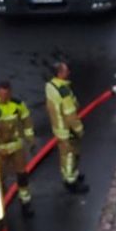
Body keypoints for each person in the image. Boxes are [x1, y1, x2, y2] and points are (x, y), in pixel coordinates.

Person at [0, 81, 36, 218]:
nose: (4, 97)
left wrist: (30, 140)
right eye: (2, 94)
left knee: (22, 175)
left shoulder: (18, 105)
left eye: (7, 94)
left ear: (10, 93)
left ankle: (25, 202)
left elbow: (27, 121)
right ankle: (0, 203)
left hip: (16, 146)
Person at [45, 61, 87, 193]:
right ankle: (71, 181)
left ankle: (70, 175)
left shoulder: (50, 86)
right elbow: (70, 115)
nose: (68, 72)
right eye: (66, 71)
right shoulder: (63, 91)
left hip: (58, 128)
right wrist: (79, 129)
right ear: (60, 73)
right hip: (67, 129)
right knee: (71, 155)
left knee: (64, 155)